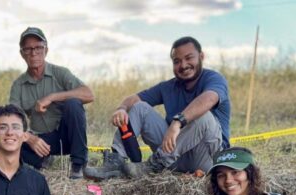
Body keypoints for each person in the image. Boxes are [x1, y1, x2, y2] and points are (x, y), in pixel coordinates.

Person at [86, 36, 230, 180]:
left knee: (204, 116)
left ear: (201, 56)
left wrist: (178, 122)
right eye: (177, 61)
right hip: (174, 158)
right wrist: (121, 108)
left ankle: (153, 165)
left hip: (207, 158)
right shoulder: (169, 86)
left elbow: (210, 98)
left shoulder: (214, 79)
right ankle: (115, 163)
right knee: (140, 107)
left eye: (189, 58)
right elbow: (135, 98)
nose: (183, 65)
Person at [10, 27, 95, 180]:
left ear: (46, 50)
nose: (33, 53)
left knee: (73, 103)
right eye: (28, 49)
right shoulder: (18, 85)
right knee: (8, 145)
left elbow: (88, 94)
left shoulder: (60, 73)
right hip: (40, 140)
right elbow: (11, 121)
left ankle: (78, 163)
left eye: (38, 47)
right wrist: (30, 138)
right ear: (22, 54)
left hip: (67, 136)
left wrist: (53, 97)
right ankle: (42, 161)